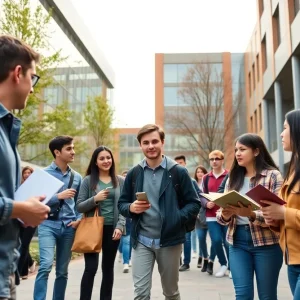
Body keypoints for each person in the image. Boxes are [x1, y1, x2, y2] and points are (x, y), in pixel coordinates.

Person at [118, 124, 200, 300]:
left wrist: (176, 218)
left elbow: (194, 203)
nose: (150, 146)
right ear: (140, 145)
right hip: (141, 241)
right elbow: (122, 204)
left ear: (163, 142)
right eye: (145, 142)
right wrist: (131, 208)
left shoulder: (178, 172)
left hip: (170, 240)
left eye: (155, 141)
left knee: (171, 293)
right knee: (140, 293)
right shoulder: (134, 173)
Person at [0, 35, 50, 300]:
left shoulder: (7, 130)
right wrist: (20, 208)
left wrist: (21, 210)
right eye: (33, 77)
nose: (33, 89)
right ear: (18, 73)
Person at [217, 133, 283, 300]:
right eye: (236, 150)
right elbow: (221, 215)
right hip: (237, 241)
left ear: (256, 151)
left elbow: (279, 214)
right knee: (243, 295)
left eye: (243, 149)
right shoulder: (233, 177)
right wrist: (224, 214)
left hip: (267, 243)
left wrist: (252, 215)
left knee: (267, 296)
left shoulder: (273, 176)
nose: (238, 153)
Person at [33, 136, 82, 300]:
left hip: (69, 227)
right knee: (45, 265)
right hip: (47, 224)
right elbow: (33, 201)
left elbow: (80, 203)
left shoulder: (77, 177)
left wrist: (79, 219)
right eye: (69, 149)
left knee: (62, 271)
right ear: (57, 152)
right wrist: (58, 196)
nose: (73, 152)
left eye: (73, 148)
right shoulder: (43, 174)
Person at [76, 146, 125, 300]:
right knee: (91, 268)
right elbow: (79, 206)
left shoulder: (120, 181)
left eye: (108, 158)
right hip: (93, 227)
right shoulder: (88, 181)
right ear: (95, 162)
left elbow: (123, 206)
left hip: (113, 228)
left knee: (108, 268)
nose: (106, 161)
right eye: (102, 158)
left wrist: (120, 226)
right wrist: (95, 199)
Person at [261, 109, 300, 299]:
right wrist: (273, 219)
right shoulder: (293, 169)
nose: (281, 134)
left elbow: (288, 212)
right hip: (292, 260)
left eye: (285, 128)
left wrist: (283, 213)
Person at [200, 150, 229, 277]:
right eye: (212, 159)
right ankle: (223, 264)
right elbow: (201, 195)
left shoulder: (229, 175)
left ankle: (231, 268)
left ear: (222, 160)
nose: (214, 161)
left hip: (227, 214)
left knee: (228, 242)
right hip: (211, 215)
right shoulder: (206, 178)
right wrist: (206, 203)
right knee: (216, 241)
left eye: (217, 159)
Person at [174, 155, 200, 272]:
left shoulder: (192, 181)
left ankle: (186, 262)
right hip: (174, 215)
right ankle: (177, 261)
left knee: (187, 239)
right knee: (176, 239)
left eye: (181, 162)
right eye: (177, 163)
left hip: (187, 215)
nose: (179, 165)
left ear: (185, 163)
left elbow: (198, 197)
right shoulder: (172, 180)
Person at [194, 165, 214, 272]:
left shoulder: (208, 182)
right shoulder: (193, 184)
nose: (200, 173)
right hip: (198, 216)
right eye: (198, 172)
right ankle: (205, 258)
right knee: (201, 238)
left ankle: (211, 261)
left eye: (202, 171)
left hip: (210, 213)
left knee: (215, 239)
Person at [18, 167, 37, 280]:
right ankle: (29, 264)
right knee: (22, 244)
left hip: (32, 218)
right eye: (25, 173)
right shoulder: (19, 186)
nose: (26, 174)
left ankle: (21, 272)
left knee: (24, 244)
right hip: (20, 218)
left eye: (29, 172)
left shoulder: (36, 187)